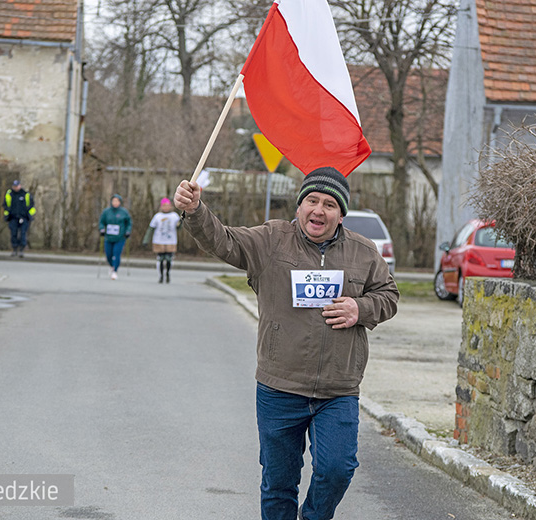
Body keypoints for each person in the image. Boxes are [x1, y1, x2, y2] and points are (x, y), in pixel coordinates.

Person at [175, 166, 399, 520]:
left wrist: (362, 307)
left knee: (337, 469)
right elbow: (224, 240)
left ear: (341, 214)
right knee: (279, 483)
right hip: (280, 387)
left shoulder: (364, 252)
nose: (318, 210)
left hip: (337, 390)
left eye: (329, 204)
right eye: (312, 200)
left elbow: (389, 295)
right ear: (299, 206)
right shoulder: (271, 240)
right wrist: (195, 211)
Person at [143, 197, 181, 283]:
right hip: (159, 241)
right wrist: (146, 240)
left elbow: (179, 228)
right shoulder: (157, 216)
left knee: (168, 259)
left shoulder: (174, 216)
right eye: (164, 206)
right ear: (161, 207)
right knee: (160, 259)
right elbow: (151, 229)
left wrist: (181, 223)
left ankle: (167, 272)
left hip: (171, 241)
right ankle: (161, 275)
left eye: (167, 206)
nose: (166, 207)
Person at [99, 194, 132, 280]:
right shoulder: (106, 212)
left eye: (117, 201)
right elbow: (102, 222)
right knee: (108, 255)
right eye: (114, 201)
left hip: (120, 237)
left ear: (120, 202)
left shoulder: (124, 212)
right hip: (109, 237)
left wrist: (127, 231)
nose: (115, 203)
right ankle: (111, 266)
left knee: (116, 254)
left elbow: (129, 223)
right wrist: (102, 229)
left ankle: (115, 271)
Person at [4, 179, 36, 257]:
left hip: (24, 218)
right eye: (14, 186)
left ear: (20, 186)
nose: (16, 187)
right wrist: (7, 215)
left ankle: (21, 250)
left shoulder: (26, 195)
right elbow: (6, 206)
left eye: (17, 186)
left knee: (23, 234)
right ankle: (14, 249)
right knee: (13, 234)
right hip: (13, 218)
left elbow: (32, 206)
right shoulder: (9, 195)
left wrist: (29, 215)